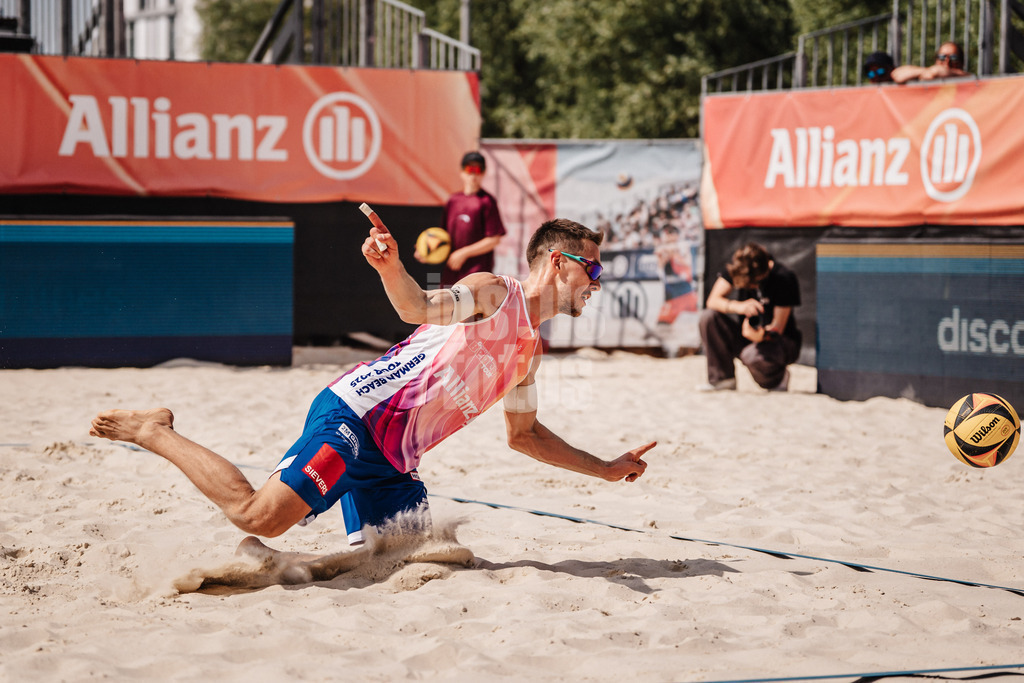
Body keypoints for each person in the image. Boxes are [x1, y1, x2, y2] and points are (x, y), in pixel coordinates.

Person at [89, 216, 655, 549]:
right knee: (261, 519)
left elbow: (524, 436)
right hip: (357, 416)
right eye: (594, 270)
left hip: (394, 460)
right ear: (559, 262)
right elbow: (418, 306)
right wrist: (390, 268)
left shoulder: (530, 353)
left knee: (404, 562)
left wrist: (604, 468)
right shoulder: (493, 293)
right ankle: (153, 430)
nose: (597, 283)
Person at [698, 243, 801, 392]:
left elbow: (778, 327)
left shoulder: (783, 277)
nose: (749, 287)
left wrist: (760, 335)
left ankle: (777, 378)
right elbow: (712, 301)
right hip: (746, 335)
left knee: (751, 355)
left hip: (778, 341)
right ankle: (722, 379)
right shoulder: (739, 268)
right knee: (708, 317)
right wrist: (738, 306)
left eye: (751, 284)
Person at [425, 151, 506, 287]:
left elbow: (493, 239)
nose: (473, 174)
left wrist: (464, 253)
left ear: (483, 173)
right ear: (462, 172)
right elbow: (443, 236)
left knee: (474, 308)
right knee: (447, 307)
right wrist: (427, 250)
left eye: (478, 169)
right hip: (452, 272)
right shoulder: (453, 200)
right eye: (469, 169)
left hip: (477, 274)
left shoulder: (487, 201)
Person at [891, 42, 971, 83]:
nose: (947, 61)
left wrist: (930, 72)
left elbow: (936, 72)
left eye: (953, 57)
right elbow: (897, 75)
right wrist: (926, 72)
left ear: (961, 62)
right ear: (936, 60)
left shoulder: (968, 78)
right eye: (942, 57)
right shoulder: (928, 72)